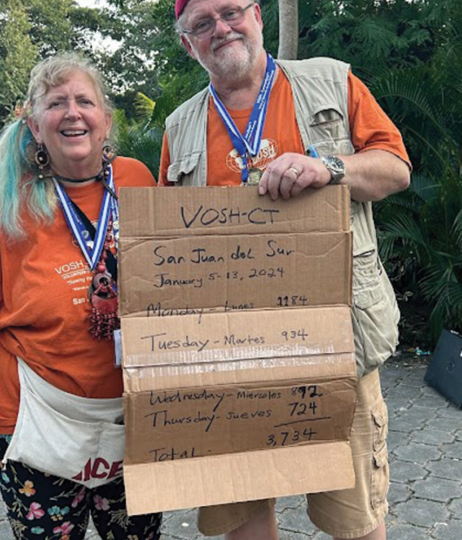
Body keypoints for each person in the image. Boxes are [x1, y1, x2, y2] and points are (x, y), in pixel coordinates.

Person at [159, 1, 412, 539]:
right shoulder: (179, 126)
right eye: (202, 24)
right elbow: (167, 246)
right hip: (230, 360)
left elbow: (395, 168)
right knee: (244, 519)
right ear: (187, 44)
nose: (221, 29)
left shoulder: (331, 81)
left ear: (257, 14)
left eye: (230, 12)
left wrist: (329, 167)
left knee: (356, 520)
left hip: (336, 343)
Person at [0, 53, 162, 540]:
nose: (72, 112)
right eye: (56, 103)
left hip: (134, 411)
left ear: (105, 119)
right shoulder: (10, 199)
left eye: (85, 100)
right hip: (31, 410)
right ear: (35, 126)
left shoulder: (139, 180)